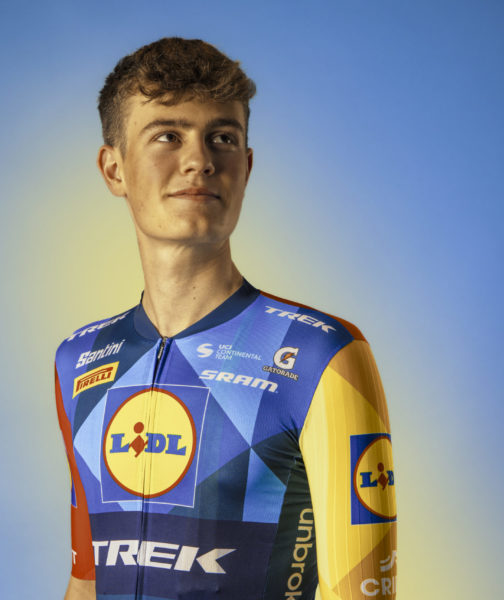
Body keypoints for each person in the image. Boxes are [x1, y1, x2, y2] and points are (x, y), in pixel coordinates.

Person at [55, 37, 397, 600]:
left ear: (247, 166)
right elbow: (85, 581)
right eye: (168, 135)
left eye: (223, 138)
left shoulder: (323, 355)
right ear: (113, 169)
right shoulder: (78, 359)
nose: (200, 160)